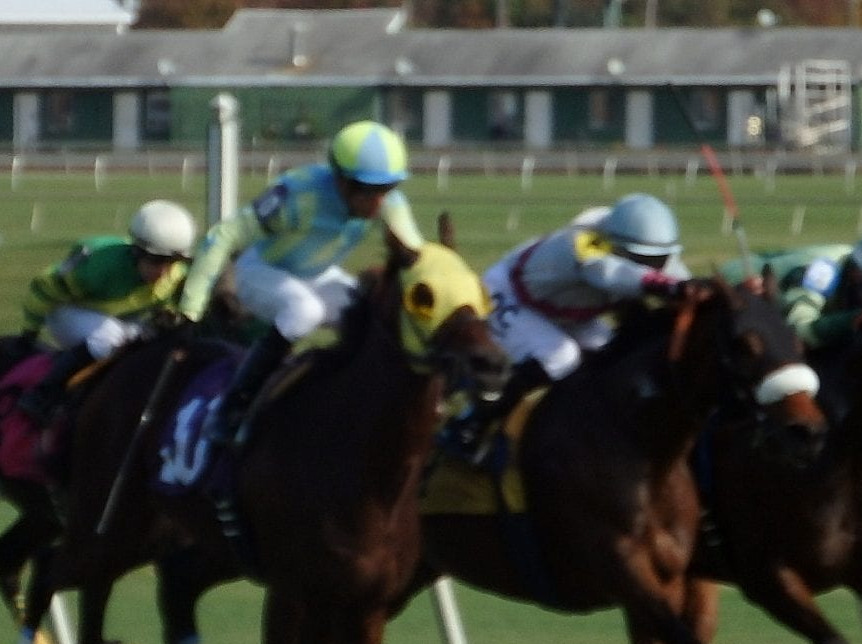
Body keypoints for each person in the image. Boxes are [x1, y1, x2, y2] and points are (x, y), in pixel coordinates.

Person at [177, 119, 425, 446]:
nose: (379, 202)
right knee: (303, 310)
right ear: (340, 179)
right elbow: (223, 236)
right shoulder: (296, 193)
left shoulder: (389, 203)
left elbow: (417, 259)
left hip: (316, 274)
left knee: (373, 311)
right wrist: (190, 309)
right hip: (259, 271)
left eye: (387, 189)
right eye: (368, 190)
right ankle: (232, 408)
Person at [442, 192, 690, 463]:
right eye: (643, 260)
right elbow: (610, 272)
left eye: (659, 260)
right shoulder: (582, 244)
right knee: (560, 356)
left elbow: (681, 279)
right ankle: (471, 422)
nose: (654, 267)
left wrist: (700, 290)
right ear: (616, 246)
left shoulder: (631, 242)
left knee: (611, 353)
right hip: (506, 295)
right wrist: (670, 286)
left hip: (565, 313)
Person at [17, 199, 197, 424]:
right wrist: (28, 333)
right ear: (136, 251)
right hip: (66, 311)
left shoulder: (177, 275)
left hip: (116, 317)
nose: (164, 271)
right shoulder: (102, 265)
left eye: (173, 261)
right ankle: (44, 393)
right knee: (111, 337)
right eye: (156, 261)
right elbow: (44, 287)